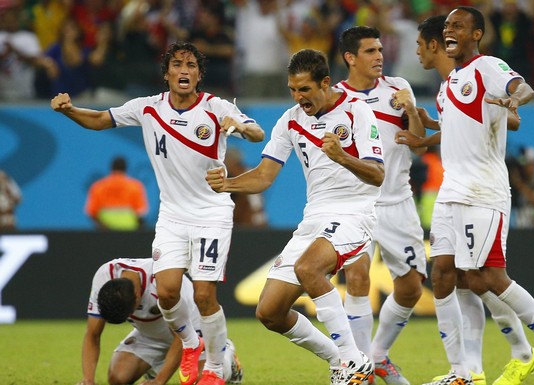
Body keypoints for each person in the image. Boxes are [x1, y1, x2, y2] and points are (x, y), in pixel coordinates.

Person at [51, 41, 265, 385]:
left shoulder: (215, 106)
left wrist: (238, 126)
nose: (185, 70)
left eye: (191, 65)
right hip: (172, 216)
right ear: (166, 73)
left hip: (211, 213)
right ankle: (191, 343)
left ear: (199, 75)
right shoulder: (147, 108)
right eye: (178, 64)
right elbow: (99, 120)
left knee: (203, 294)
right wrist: (69, 111)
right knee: (166, 292)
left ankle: (212, 365)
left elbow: (257, 132)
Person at [419, 7, 534, 385]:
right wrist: (425, 134)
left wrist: (515, 100)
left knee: (486, 277)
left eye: (458, 26)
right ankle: (464, 373)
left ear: (477, 34)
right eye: (447, 27)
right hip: (451, 192)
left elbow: (521, 88)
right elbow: (462, 127)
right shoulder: (446, 88)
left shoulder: (488, 66)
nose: (450, 32)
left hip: (483, 190)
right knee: (444, 274)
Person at [206, 48, 384, 385]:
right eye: (292, 89)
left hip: (354, 211)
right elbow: (263, 176)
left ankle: (353, 362)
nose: (298, 97)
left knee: (308, 268)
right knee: (269, 311)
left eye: (305, 89)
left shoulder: (357, 110)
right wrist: (227, 184)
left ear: (325, 83)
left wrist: (343, 157)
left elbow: (377, 174)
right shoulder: (290, 120)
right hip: (314, 215)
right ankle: (343, 360)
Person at [334, 25, 427, 385]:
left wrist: (413, 111)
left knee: (411, 288)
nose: (379, 57)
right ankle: (361, 372)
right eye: (371, 51)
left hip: (398, 200)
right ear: (350, 58)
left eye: (380, 50)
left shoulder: (398, 88)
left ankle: (377, 355)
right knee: (356, 278)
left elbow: (417, 142)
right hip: (357, 203)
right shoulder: (336, 97)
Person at [78, 257, 243, 385]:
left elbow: (181, 338)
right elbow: (93, 334)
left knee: (200, 380)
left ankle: (226, 356)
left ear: (138, 299)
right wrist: (88, 380)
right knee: (117, 378)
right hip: (150, 335)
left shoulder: (161, 284)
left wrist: (159, 381)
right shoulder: (104, 275)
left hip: (191, 335)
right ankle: (158, 364)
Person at [84, 156, 149, 231]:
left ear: (111, 168)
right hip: (129, 232)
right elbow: (140, 213)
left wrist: (103, 227)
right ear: (126, 168)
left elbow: (91, 213)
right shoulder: (135, 186)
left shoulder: (98, 186)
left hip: (105, 233)